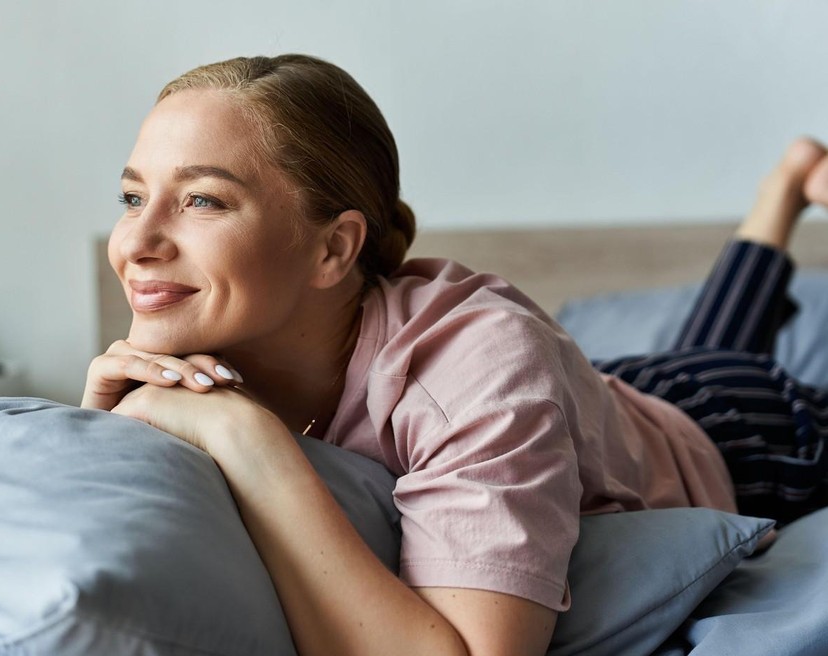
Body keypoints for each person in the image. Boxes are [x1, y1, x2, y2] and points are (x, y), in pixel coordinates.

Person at [81, 53, 828, 656]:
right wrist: (99, 428)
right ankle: (782, 193)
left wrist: (247, 439)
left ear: (334, 247)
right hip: (611, 395)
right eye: (132, 198)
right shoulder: (208, 343)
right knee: (696, 344)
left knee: (723, 366)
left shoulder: (481, 369)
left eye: (202, 200)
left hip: (741, 433)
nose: (137, 246)